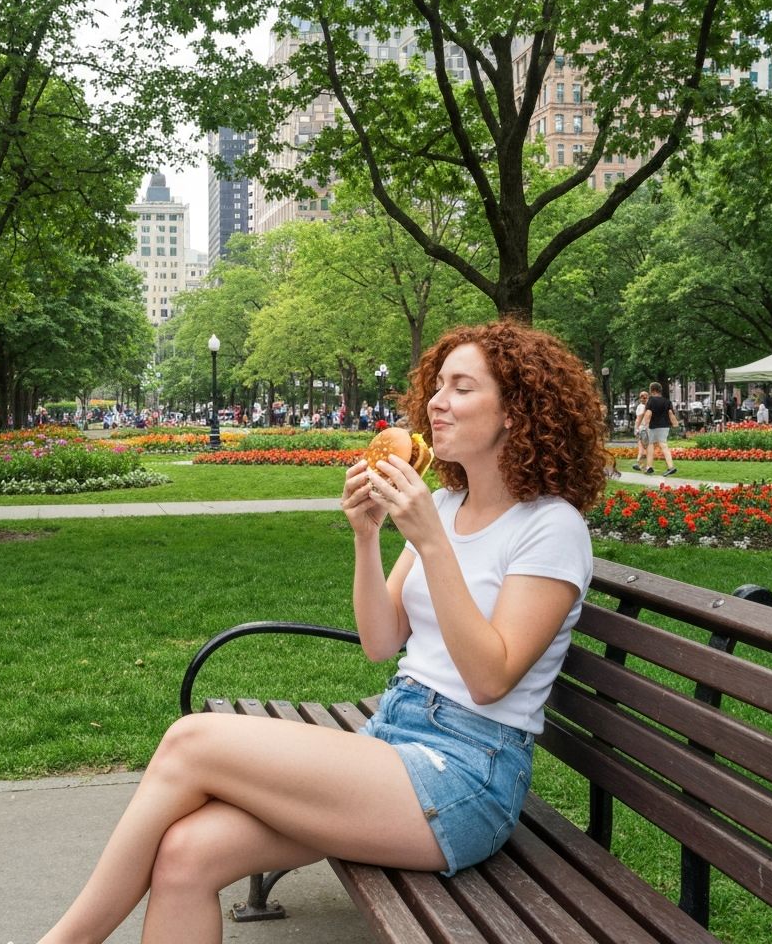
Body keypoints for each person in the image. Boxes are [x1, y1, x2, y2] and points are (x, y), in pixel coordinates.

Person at [33, 321, 608, 944]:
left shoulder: (550, 527)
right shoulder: (445, 505)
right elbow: (381, 642)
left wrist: (431, 544)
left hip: (469, 775)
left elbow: (491, 680)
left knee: (190, 740)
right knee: (186, 854)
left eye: (462, 388)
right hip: (395, 735)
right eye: (438, 385)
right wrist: (367, 536)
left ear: (515, 413)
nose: (437, 403)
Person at [637, 382, 678, 476]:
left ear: (653, 390)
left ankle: (649, 467)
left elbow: (648, 413)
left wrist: (644, 425)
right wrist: (675, 423)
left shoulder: (651, 400)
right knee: (664, 445)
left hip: (653, 426)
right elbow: (670, 413)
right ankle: (671, 467)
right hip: (665, 426)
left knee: (650, 445)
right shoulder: (667, 401)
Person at [631, 390, 650, 471]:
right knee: (642, 448)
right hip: (642, 429)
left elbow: (640, 419)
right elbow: (637, 419)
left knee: (644, 448)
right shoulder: (640, 407)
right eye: (641, 397)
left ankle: (642, 465)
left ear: (648, 397)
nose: (642, 399)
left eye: (644, 397)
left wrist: (636, 429)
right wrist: (636, 429)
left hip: (645, 430)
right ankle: (643, 465)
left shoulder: (648, 407)